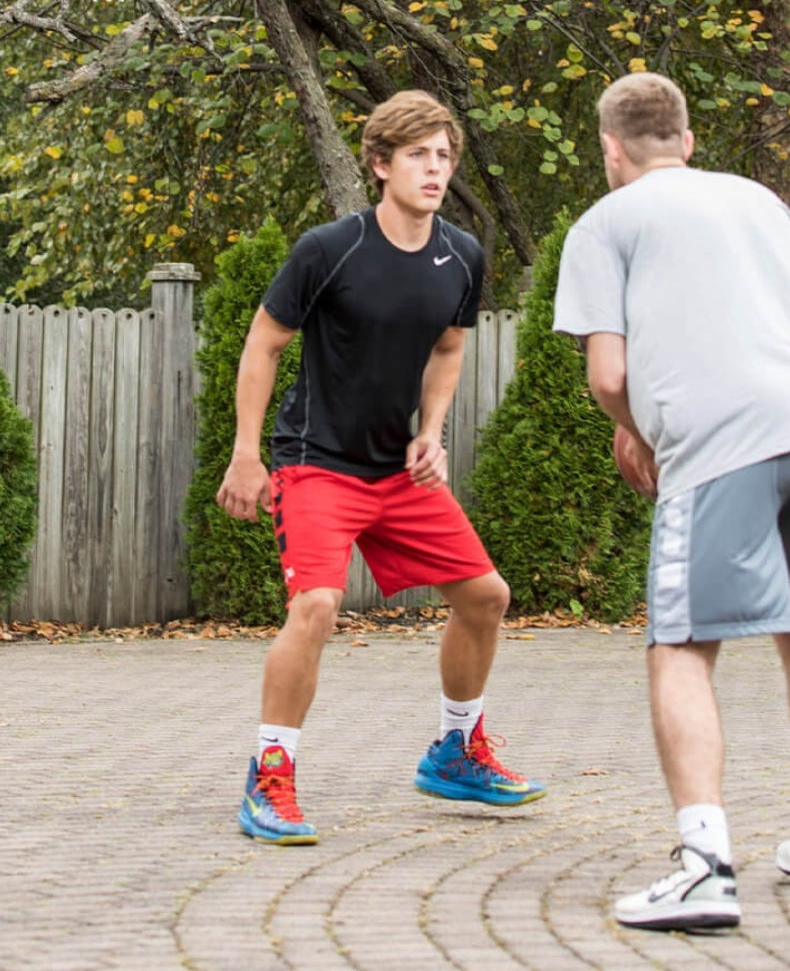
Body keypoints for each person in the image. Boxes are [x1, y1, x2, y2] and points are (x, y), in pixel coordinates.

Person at [553, 71, 790, 931]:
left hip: (727, 435)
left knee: (681, 642)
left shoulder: (606, 221)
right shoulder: (763, 203)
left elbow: (609, 374)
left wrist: (639, 431)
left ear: (610, 152)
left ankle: (704, 867)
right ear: (688, 141)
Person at [217, 89, 546, 845]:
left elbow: (450, 347)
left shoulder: (462, 256)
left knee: (487, 596)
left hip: (398, 473)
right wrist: (246, 451)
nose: (436, 170)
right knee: (318, 607)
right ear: (379, 164)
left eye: (445, 156)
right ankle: (271, 773)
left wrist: (431, 431)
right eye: (418, 156)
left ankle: (457, 751)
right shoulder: (330, 250)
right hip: (317, 465)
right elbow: (264, 344)